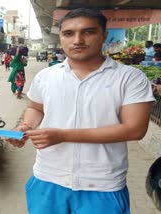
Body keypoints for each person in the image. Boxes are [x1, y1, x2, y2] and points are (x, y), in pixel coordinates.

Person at [8, 8, 155, 214]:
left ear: (104, 35)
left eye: (88, 32)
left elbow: (135, 130)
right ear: (60, 38)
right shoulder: (46, 76)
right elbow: (35, 107)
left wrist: (62, 135)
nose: (78, 40)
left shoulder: (129, 78)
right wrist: (25, 126)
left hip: (102, 184)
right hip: (47, 178)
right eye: (68, 33)